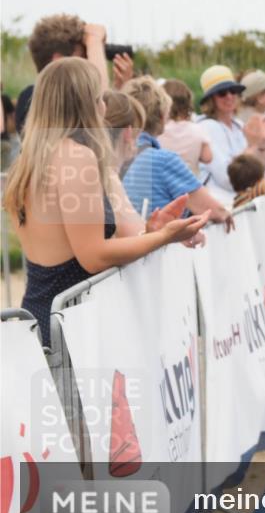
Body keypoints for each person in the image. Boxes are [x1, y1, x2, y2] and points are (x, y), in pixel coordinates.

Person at [1, 59, 208, 346]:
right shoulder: (76, 156)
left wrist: (152, 233)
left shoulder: (26, 161)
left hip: (37, 314)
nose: (103, 107)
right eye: (99, 98)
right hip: (72, 324)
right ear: (86, 104)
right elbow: (93, 255)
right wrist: (164, 237)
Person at [121, 76, 234, 229]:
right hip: (156, 247)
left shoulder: (111, 157)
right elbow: (213, 210)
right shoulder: (164, 160)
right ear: (162, 116)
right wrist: (226, 214)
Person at [15, 14, 133, 133]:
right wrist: (94, 43)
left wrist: (121, 90)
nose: (88, 68)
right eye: (83, 58)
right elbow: (96, 109)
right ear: (59, 62)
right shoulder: (32, 98)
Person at [196, 65, 265, 202]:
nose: (229, 96)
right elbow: (227, 179)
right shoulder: (206, 128)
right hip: (224, 206)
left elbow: (260, 172)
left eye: (233, 90)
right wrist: (253, 147)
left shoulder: (239, 125)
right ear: (211, 99)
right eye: (222, 92)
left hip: (247, 201)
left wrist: (262, 144)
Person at [159, 79, 212, 175]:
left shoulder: (158, 131)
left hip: (164, 184)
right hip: (190, 184)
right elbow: (207, 157)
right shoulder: (197, 129)